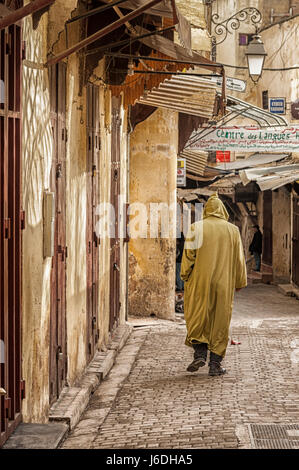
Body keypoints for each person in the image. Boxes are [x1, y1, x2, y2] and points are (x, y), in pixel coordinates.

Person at [180, 193, 247, 376]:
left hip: (200, 282)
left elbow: (188, 257)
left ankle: (200, 353)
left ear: (207, 210)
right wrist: (240, 281)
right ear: (222, 210)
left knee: (198, 316)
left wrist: (185, 276)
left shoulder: (195, 228)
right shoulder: (232, 230)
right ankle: (215, 364)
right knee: (220, 320)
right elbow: (239, 260)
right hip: (224, 284)